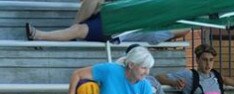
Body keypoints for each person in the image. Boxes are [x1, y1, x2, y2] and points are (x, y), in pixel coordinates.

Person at [25, 0, 188, 43]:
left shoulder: (154, 31)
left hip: (113, 29)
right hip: (108, 12)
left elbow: (185, 29)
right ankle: (72, 30)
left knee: (79, 30)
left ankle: (39, 36)